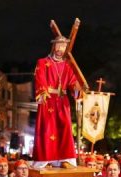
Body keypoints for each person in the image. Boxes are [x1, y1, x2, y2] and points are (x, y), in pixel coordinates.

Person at [32, 35, 85, 168]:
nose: (60, 48)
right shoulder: (43, 62)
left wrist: (77, 87)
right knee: (47, 129)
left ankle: (65, 159)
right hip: (48, 100)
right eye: (58, 45)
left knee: (65, 128)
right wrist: (43, 92)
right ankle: (46, 161)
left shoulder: (68, 65)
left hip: (63, 101)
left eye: (63, 46)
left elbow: (73, 82)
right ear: (53, 46)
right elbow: (40, 78)